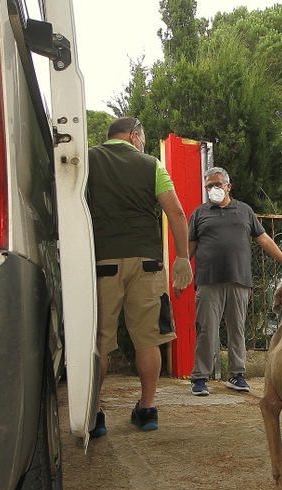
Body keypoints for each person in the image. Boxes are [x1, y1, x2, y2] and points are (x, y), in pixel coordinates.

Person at [86, 117, 192, 437]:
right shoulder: (152, 165)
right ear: (134, 135)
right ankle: (147, 409)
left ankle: (95, 413)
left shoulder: (88, 159)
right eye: (142, 138)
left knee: (99, 343)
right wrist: (183, 258)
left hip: (102, 262)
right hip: (147, 263)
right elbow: (176, 212)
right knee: (148, 340)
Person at [188, 167, 282, 396]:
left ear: (228, 186)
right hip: (208, 280)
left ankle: (238, 375)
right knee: (206, 329)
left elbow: (264, 239)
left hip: (239, 280)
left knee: (237, 329)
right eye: (209, 186)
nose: (213, 189)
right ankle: (200, 377)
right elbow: (190, 247)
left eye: (217, 184)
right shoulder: (199, 214)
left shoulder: (245, 211)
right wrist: (179, 272)